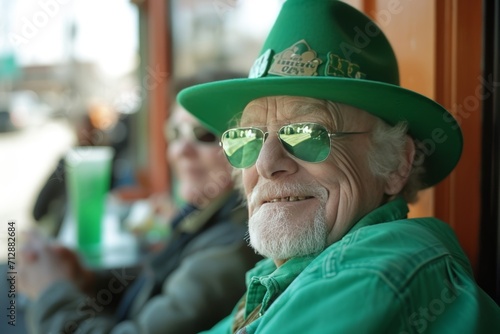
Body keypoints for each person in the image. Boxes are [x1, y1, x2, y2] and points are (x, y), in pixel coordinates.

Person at [177, 1, 500, 333]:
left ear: (396, 164)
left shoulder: (370, 273)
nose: (266, 163)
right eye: (249, 138)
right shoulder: (288, 274)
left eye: (306, 133)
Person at [18, 71, 262, 333]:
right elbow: (154, 281)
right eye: (175, 132)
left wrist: (51, 292)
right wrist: (87, 280)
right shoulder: (205, 219)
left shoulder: (229, 250)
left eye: (204, 135)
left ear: (247, 147)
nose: (180, 151)